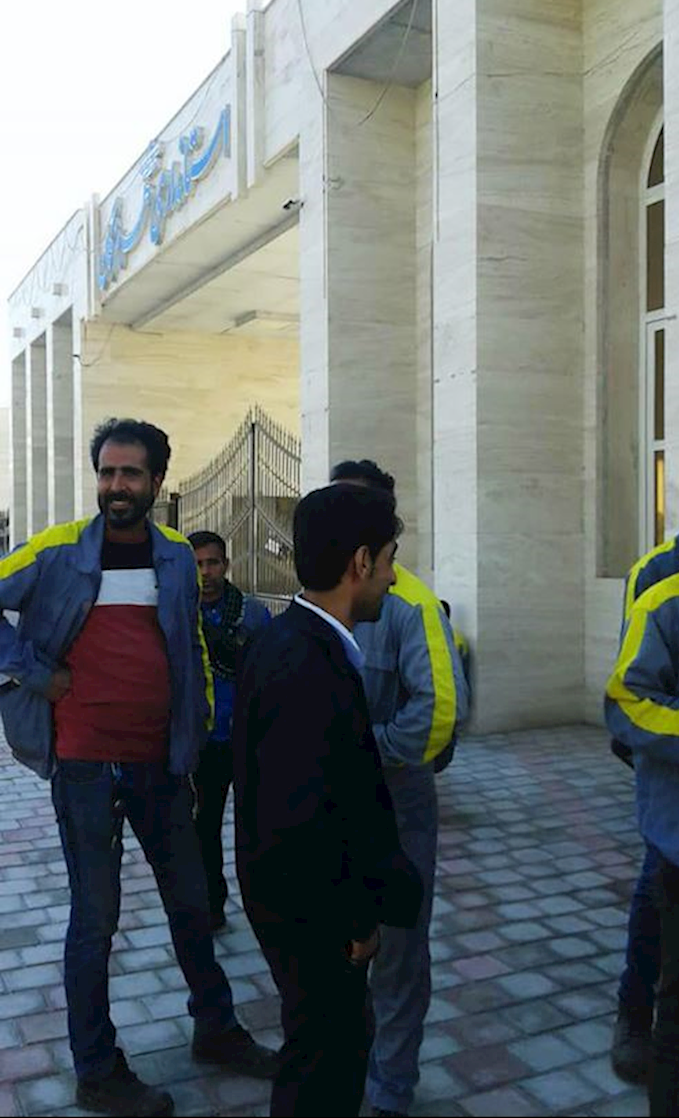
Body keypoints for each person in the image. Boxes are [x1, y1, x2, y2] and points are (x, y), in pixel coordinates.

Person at [0, 418, 276, 1118]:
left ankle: (215, 1028)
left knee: (191, 902)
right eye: (107, 472)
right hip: (86, 765)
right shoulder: (59, 549)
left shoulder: (179, 555)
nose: (115, 486)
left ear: (157, 481)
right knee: (96, 920)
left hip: (159, 764)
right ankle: (96, 1067)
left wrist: (196, 743)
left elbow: (190, 656)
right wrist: (36, 672)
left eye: (129, 473)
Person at [233, 484, 423, 1118]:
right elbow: (301, 818)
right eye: (391, 560)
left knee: (325, 1046)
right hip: (312, 919)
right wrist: (352, 924)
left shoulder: (297, 642)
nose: (395, 579)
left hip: (298, 909)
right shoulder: (305, 664)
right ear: (361, 562)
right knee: (325, 1062)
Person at [330, 459, 470, 1117]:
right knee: (339, 940)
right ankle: (350, 1057)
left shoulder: (411, 602)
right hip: (330, 805)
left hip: (396, 800)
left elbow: (443, 712)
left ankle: (389, 1089)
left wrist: (368, 751)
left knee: (400, 950)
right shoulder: (316, 601)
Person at [605, 475, 679, 1118]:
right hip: (676, 806)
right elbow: (629, 693)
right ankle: (635, 1015)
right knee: (655, 906)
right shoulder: (658, 576)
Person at [188, 530, 270, 932]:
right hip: (205, 742)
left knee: (258, 828)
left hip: (250, 740)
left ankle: (267, 906)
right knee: (205, 829)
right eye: (198, 564)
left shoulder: (253, 615)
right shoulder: (179, 615)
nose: (206, 572)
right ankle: (212, 906)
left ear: (226, 564)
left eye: (213, 562)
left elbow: (270, 676)